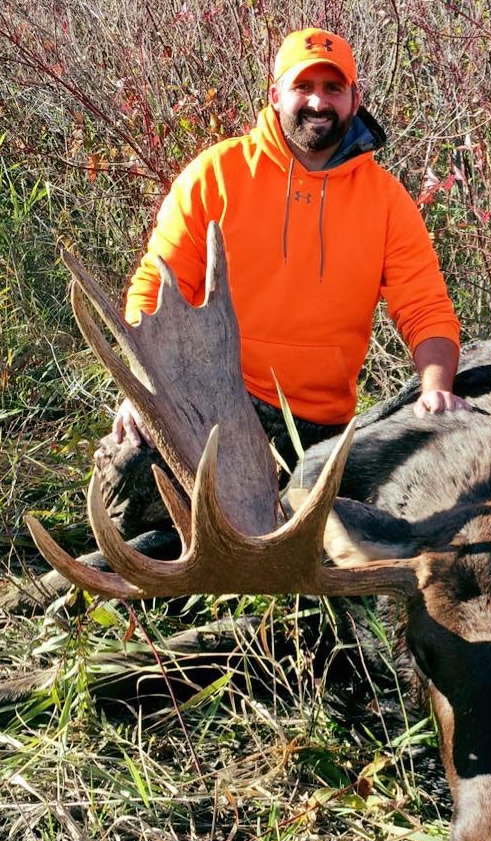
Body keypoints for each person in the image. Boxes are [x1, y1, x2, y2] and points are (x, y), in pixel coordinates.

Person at [99, 27, 469, 537]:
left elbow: (426, 308)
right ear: (275, 94)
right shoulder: (218, 174)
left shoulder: (386, 201)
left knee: (327, 531)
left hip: (317, 426)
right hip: (219, 397)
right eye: (304, 87)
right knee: (133, 477)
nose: (318, 101)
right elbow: (155, 285)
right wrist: (146, 390)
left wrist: (436, 390)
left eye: (333, 89)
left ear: (355, 98)